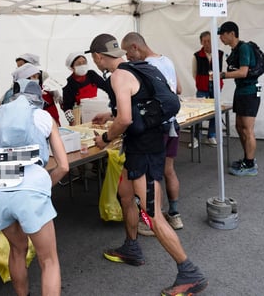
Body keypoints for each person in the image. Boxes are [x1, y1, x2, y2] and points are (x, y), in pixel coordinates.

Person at [89, 34, 207, 296]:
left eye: (94, 58)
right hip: (142, 146)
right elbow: (139, 102)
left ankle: (189, 272)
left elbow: (126, 120)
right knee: (125, 195)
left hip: (143, 151)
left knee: (151, 215)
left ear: (97, 56)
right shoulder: (140, 67)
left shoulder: (118, 76)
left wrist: (105, 140)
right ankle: (131, 247)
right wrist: (111, 114)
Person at [0, 79, 69, 296]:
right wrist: (42, 184)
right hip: (31, 185)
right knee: (48, 260)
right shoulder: (44, 117)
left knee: (17, 250)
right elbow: (63, 166)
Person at [120, 32, 184, 233]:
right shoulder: (167, 61)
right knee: (168, 170)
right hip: (173, 125)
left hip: (156, 127)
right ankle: (174, 215)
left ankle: (152, 220)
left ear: (135, 47)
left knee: (150, 176)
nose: (127, 58)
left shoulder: (146, 67)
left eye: (128, 53)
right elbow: (179, 89)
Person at [218, 21, 261, 176]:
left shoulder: (244, 48)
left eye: (222, 34)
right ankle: (247, 158)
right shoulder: (235, 50)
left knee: (248, 129)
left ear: (231, 33)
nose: (221, 38)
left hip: (250, 91)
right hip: (241, 91)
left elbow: (243, 72)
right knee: (239, 126)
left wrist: (222, 75)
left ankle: (250, 165)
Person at [191, 31, 224, 148]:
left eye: (209, 41)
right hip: (202, 87)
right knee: (199, 113)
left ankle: (211, 135)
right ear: (201, 42)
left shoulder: (219, 54)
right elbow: (194, 73)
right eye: (204, 41)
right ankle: (196, 137)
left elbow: (221, 71)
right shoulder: (196, 55)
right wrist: (201, 81)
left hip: (215, 86)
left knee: (215, 112)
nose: (207, 43)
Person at [61, 51, 110, 126]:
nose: (82, 65)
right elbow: (67, 106)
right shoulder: (68, 83)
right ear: (72, 67)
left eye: (84, 62)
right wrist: (71, 118)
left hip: (95, 111)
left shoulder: (91, 75)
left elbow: (106, 87)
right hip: (79, 117)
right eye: (78, 64)